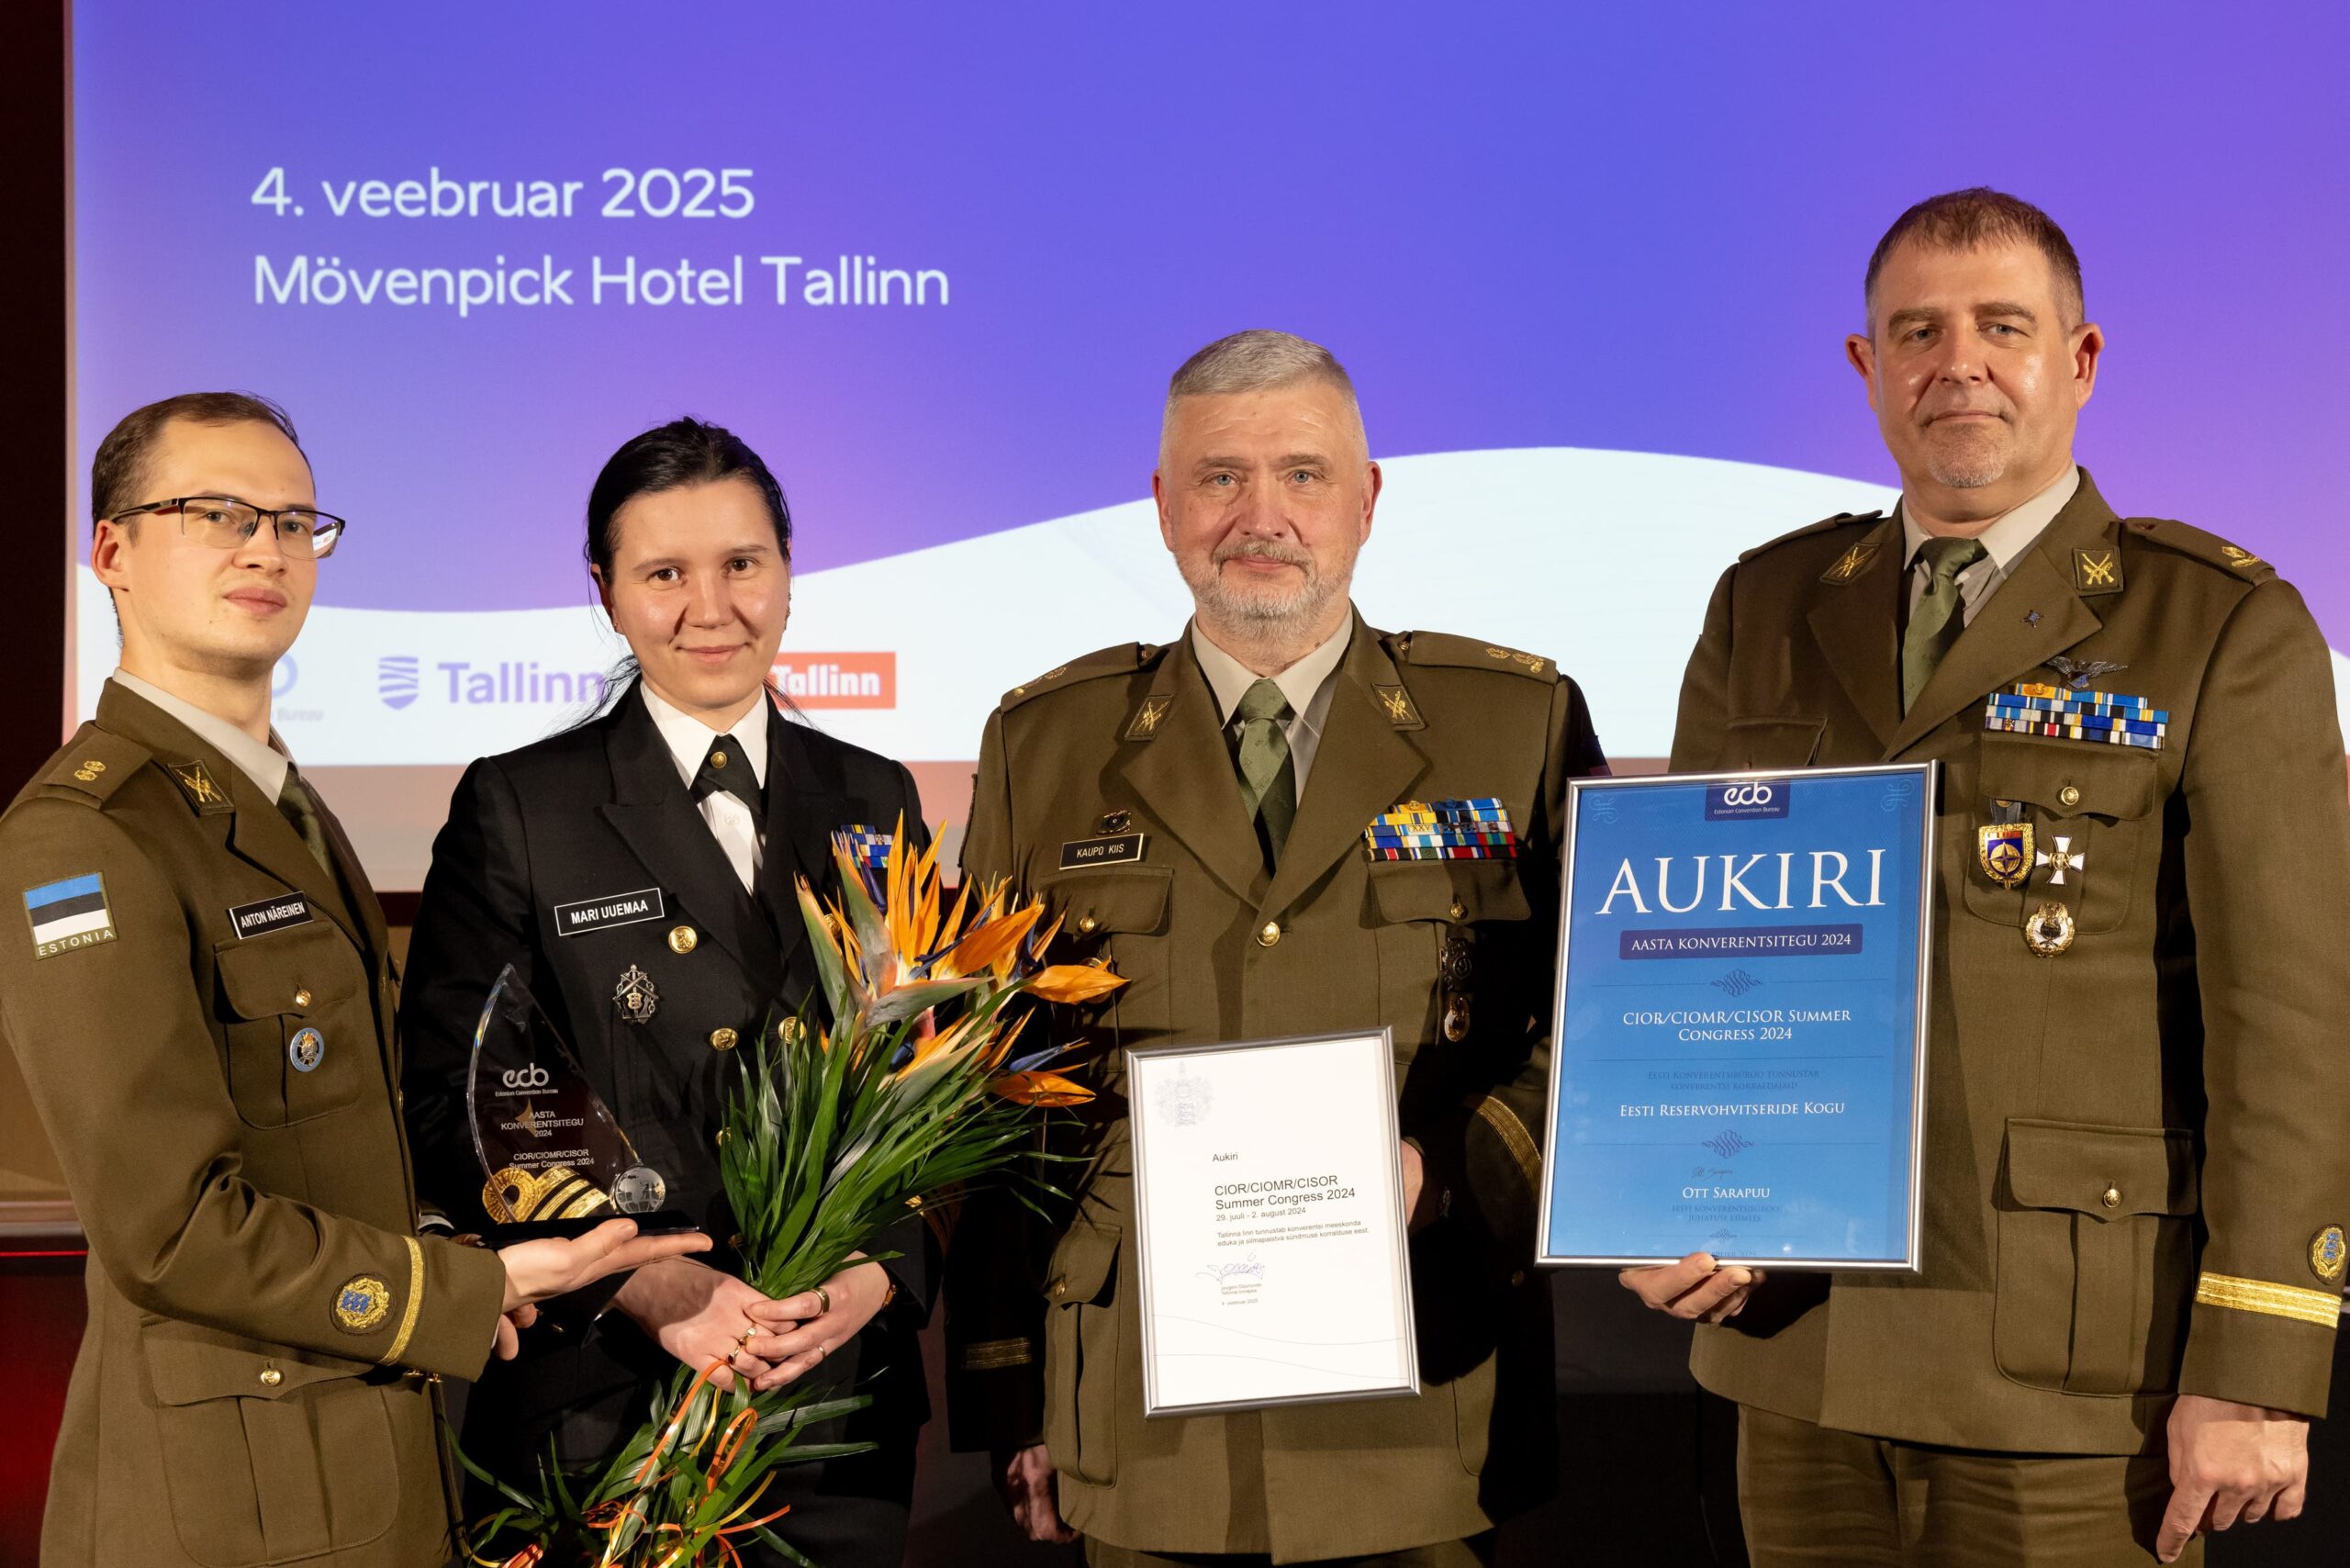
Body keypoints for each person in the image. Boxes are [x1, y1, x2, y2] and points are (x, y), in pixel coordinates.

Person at [1622, 188, 2350, 1565]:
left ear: (2079, 360)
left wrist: (2257, 1365)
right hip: (1798, 1345)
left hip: (2073, 1367)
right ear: (1866, 367)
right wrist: (1669, 1187)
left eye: (2001, 327)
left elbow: (2292, 1030)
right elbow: (1691, 961)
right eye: (1917, 332)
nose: (1956, 364)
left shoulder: (2218, 625)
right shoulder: (1764, 606)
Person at [0, 392, 706, 1568]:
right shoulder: (84, 836)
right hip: (225, 1506)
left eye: (293, 520)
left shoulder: (277, 802)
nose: (265, 547)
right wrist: (463, 1289)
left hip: (362, 1468)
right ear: (112, 551)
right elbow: (169, 1231)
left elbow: (344, 1142)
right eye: (216, 512)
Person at [944, 330, 1608, 1565]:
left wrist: (1450, 1169)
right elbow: (989, 1088)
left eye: (1303, 474)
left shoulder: (1514, 722)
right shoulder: (1044, 747)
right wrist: (1006, 1389)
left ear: (1366, 499)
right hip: (1140, 1418)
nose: (1262, 516)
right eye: (1220, 477)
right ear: (1162, 505)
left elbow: (1603, 1025)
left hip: (1422, 1402)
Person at [398, 417, 934, 1568]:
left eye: (742, 563)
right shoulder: (522, 806)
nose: (711, 607)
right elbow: (456, 1102)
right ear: (604, 591)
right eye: (663, 574)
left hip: (832, 1405)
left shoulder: (873, 795)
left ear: (787, 571)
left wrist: (876, 1271)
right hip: (609, 1405)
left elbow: (918, 1079)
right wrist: (642, 1278)